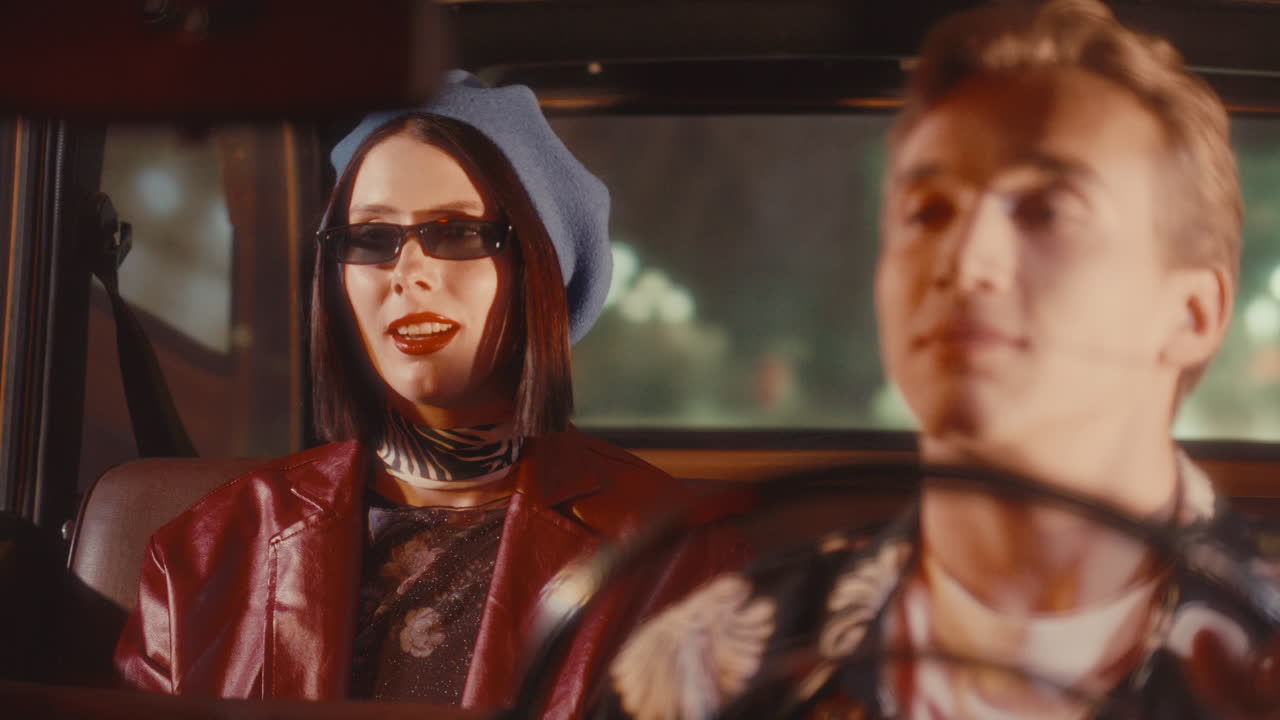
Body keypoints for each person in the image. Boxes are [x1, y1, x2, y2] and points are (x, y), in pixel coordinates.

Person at [596, 1, 1280, 718]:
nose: (965, 258)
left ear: (1192, 314)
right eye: (928, 211)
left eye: (1047, 209)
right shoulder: (711, 664)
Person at [113, 71, 741, 718]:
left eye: (458, 233)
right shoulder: (205, 554)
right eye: (371, 238)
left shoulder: (678, 558)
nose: (408, 273)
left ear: (538, 270)